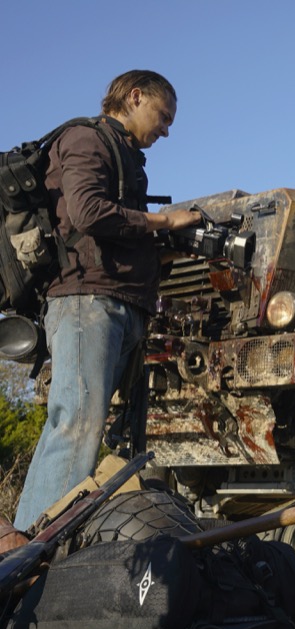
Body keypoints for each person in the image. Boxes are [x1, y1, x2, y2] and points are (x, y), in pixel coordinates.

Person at [13, 70, 202, 530]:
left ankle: (66, 545)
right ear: (135, 97)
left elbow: (115, 227)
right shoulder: (85, 138)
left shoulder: (127, 156)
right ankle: (27, 553)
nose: (166, 129)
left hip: (120, 305)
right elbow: (86, 211)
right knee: (76, 422)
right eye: (164, 115)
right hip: (87, 303)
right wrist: (162, 222)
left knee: (103, 431)